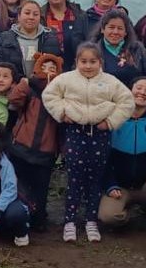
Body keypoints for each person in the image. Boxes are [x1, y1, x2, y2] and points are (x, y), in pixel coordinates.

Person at [42, 42, 135, 243]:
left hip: (100, 136)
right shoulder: (66, 79)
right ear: (76, 62)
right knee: (74, 178)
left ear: (100, 62)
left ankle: (91, 220)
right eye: (83, 61)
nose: (88, 66)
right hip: (76, 133)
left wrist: (110, 122)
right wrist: (62, 113)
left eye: (93, 61)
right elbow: (49, 95)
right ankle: (70, 221)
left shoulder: (110, 81)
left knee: (95, 179)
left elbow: (127, 101)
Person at [6, 53, 63, 232]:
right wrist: (25, 83)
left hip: (46, 150)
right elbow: (13, 99)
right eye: (44, 67)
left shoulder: (60, 94)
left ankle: (38, 218)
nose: (48, 71)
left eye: (53, 68)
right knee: (19, 184)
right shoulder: (29, 88)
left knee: (41, 188)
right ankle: (18, 215)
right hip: (21, 146)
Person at [98, 77, 146, 228]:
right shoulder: (113, 120)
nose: (142, 92)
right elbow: (103, 159)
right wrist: (110, 185)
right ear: (128, 92)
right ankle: (128, 210)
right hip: (121, 187)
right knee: (108, 217)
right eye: (138, 88)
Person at [0, 0, 61, 78]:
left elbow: (57, 66)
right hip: (13, 87)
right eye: (27, 13)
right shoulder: (5, 38)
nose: (31, 17)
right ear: (19, 16)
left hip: (42, 88)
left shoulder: (50, 38)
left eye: (35, 14)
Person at [90, 9, 146, 88]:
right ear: (102, 29)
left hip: (135, 98)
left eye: (120, 28)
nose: (115, 32)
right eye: (111, 27)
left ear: (126, 32)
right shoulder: (92, 51)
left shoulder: (137, 48)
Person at [41, 0, 91, 70]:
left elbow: (87, 39)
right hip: (49, 66)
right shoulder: (40, 16)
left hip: (77, 65)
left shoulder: (80, 15)